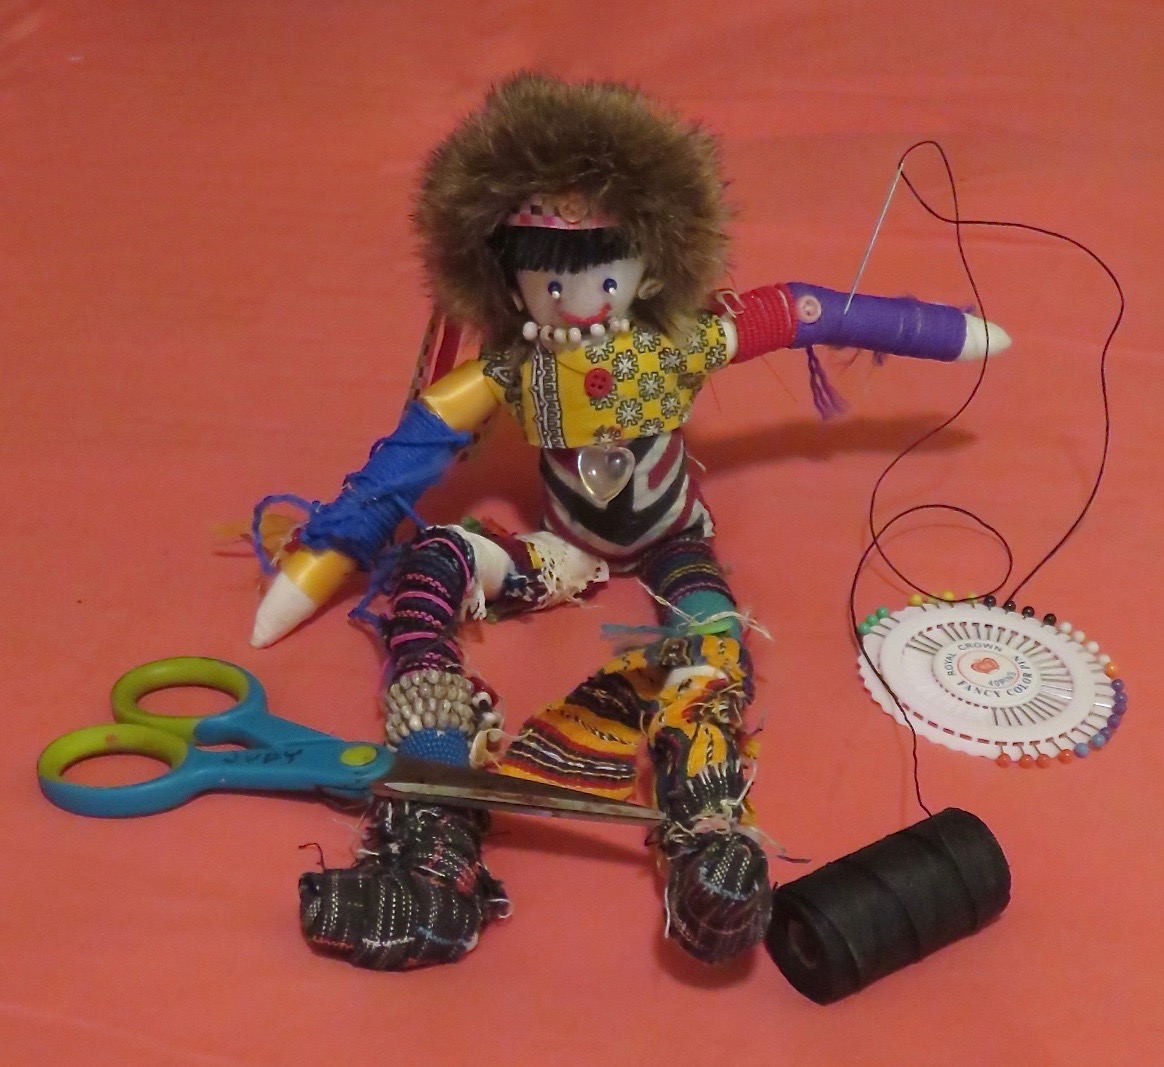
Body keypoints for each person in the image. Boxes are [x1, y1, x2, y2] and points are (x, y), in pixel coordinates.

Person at [255, 74, 1010, 970]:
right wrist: (328, 549)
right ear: (508, 284)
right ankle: (433, 811)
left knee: (713, 638)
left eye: (604, 278)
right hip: (563, 548)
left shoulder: (682, 343)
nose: (578, 301)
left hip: (672, 538)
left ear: (650, 269)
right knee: (431, 567)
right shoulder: (510, 372)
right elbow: (405, 460)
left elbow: (804, 312)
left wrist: (938, 329)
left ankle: (705, 832)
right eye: (550, 282)